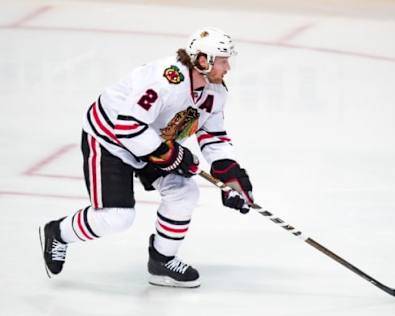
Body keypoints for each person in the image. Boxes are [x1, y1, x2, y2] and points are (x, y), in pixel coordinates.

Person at [39, 27, 254, 288]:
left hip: (153, 141)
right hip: (111, 140)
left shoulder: (215, 91)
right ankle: (58, 233)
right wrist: (173, 155)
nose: (228, 67)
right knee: (117, 217)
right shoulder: (165, 80)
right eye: (222, 60)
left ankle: (162, 261)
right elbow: (128, 127)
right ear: (202, 61)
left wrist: (228, 172)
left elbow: (213, 134)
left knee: (184, 192)